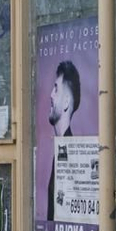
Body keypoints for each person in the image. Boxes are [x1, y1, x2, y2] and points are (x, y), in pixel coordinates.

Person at [46, 60, 81, 221]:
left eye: (56, 89)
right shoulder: (62, 150)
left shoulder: (71, 156)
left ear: (66, 102)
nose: (51, 95)